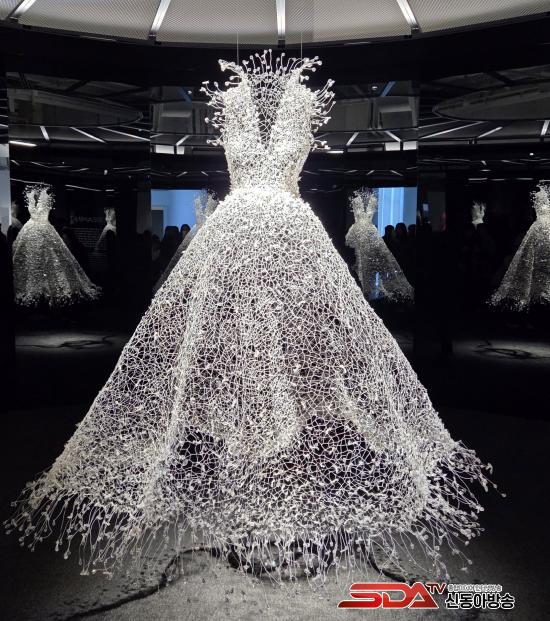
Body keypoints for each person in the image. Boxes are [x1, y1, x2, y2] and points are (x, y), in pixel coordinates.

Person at [8, 53, 489, 582]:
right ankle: (252, 448)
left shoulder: (295, 99)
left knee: (303, 346)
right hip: (244, 235)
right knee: (228, 346)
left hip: (286, 236)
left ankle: (281, 446)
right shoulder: (240, 98)